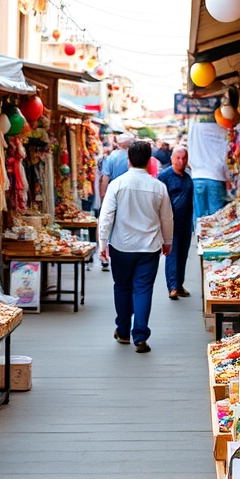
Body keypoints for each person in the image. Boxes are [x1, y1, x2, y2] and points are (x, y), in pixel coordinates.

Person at [98, 140, 173, 353]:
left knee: (121, 287)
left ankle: (122, 331)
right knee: (143, 289)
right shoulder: (158, 187)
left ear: (128, 159)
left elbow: (106, 217)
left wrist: (103, 244)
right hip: (149, 248)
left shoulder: (117, 184)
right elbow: (167, 218)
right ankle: (140, 336)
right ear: (150, 160)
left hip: (121, 246)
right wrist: (168, 242)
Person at [157, 146, 194, 299]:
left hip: (185, 222)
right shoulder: (164, 177)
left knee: (183, 254)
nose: (181, 161)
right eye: (178, 158)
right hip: (170, 222)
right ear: (172, 158)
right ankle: (172, 286)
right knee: (172, 254)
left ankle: (179, 284)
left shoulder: (187, 177)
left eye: (184, 158)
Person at [97, 133, 133, 270]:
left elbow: (105, 178)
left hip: (112, 194)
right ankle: (124, 253)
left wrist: (102, 195)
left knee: (106, 223)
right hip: (128, 195)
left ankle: (104, 256)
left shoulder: (111, 158)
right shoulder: (133, 157)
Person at [187, 121, 230, 220]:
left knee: (199, 216)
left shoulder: (195, 126)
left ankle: (200, 235)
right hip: (216, 177)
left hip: (198, 176)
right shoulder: (223, 129)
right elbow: (226, 156)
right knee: (216, 217)